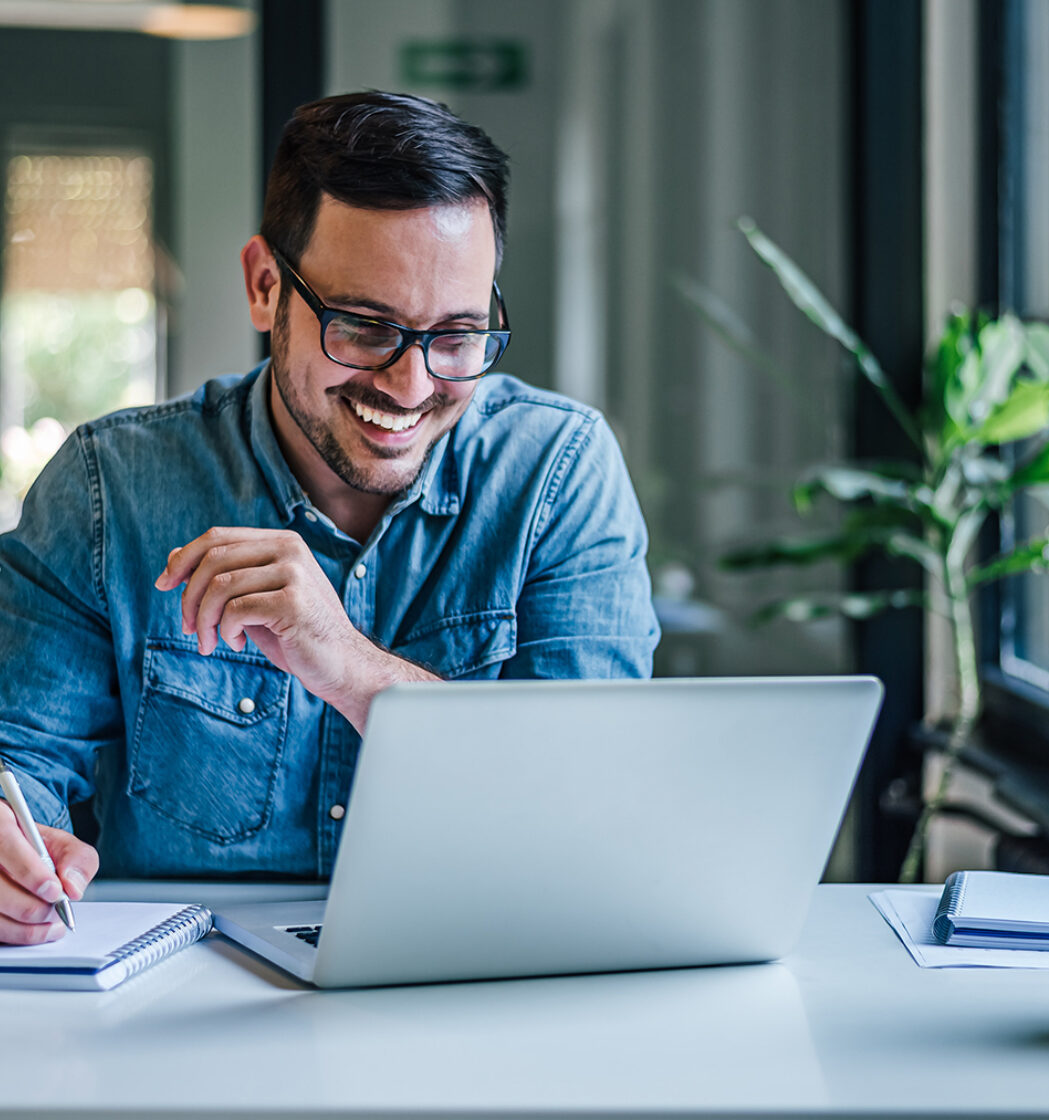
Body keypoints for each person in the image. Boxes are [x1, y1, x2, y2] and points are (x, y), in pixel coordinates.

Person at [0, 91, 658, 945]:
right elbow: (22, 759)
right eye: (364, 326)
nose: (411, 386)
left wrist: (348, 664)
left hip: (487, 984)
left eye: (456, 336)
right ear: (265, 286)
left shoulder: (558, 474)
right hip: (186, 1017)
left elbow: (596, 802)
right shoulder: (108, 491)